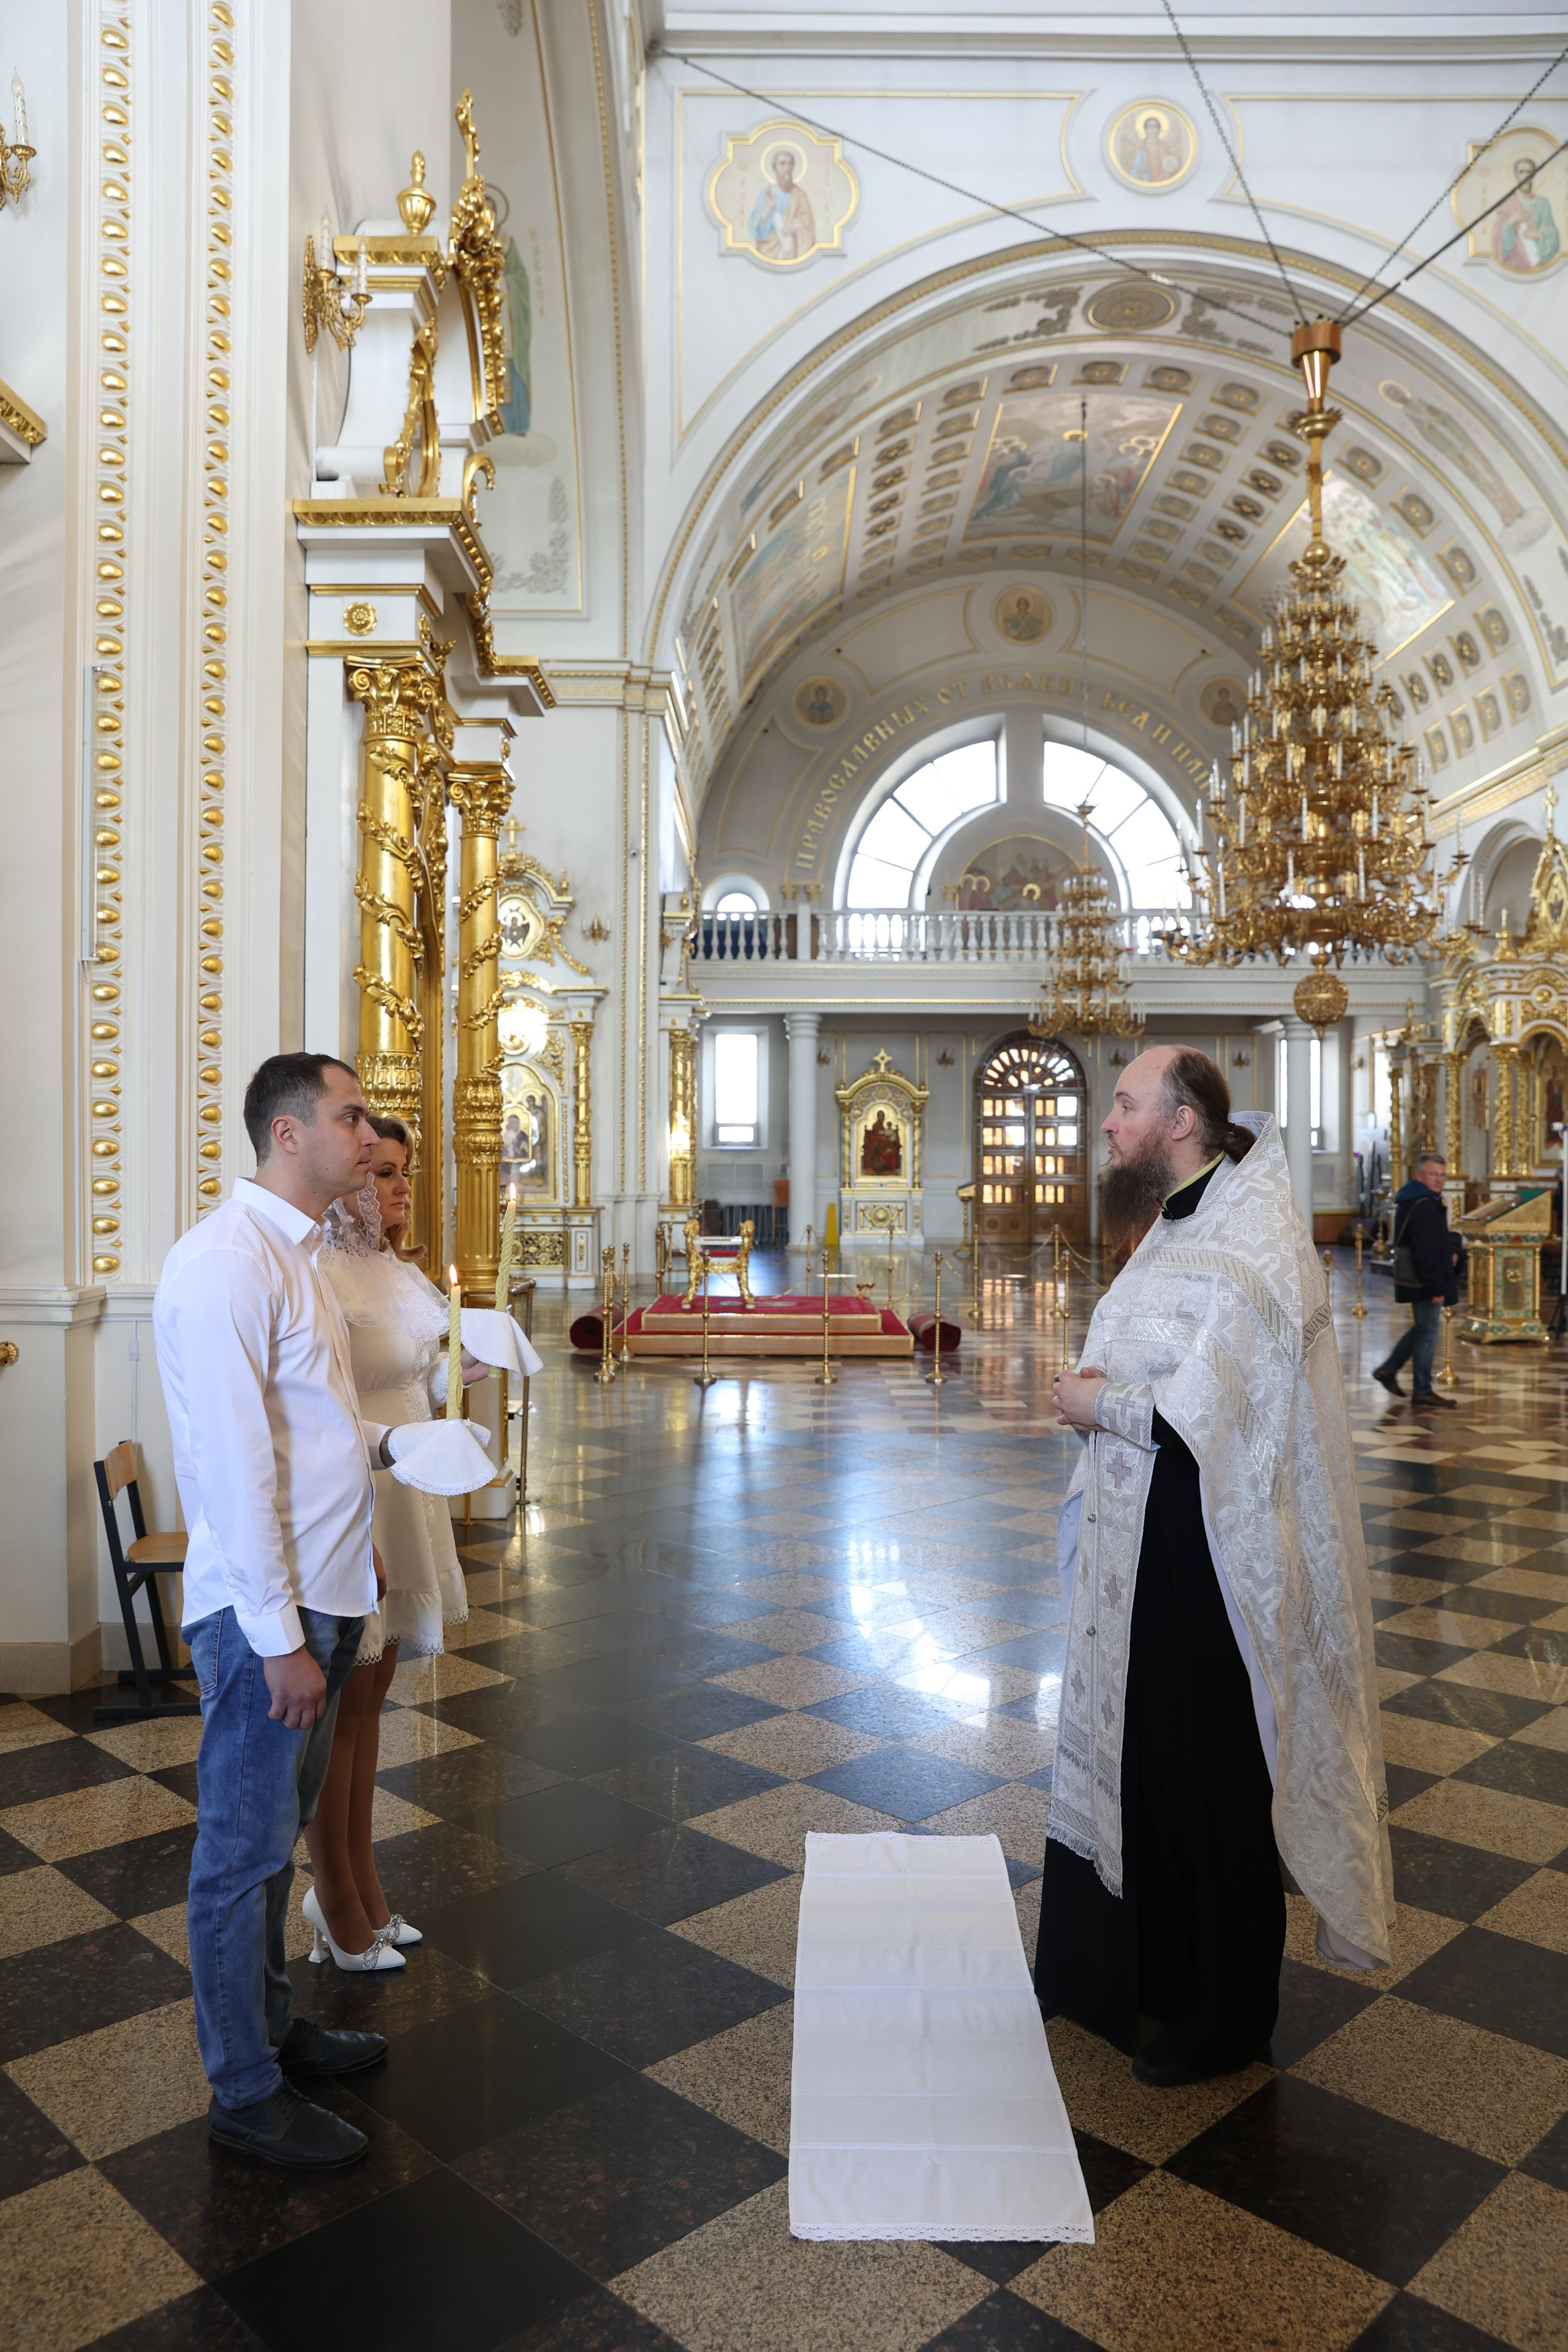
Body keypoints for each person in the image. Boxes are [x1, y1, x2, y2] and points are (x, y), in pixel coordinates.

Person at [1036, 1046, 1393, 2087]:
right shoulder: (1171, 1228)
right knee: (1145, 1760)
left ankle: (1228, 2015)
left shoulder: (1255, 1232)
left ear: (1183, 1118)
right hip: (1136, 1547)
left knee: (1213, 1779)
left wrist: (1092, 1403)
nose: (1108, 1123)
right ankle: (1146, 1973)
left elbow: (1209, 1421)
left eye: (1127, 1105)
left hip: (1212, 1561)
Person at [154, 1054, 477, 2172]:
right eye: (348, 1116)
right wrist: (283, 1636)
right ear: (290, 1134)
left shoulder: (298, 1258)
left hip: (329, 1590)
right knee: (242, 1858)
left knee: (270, 1849)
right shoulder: (224, 1265)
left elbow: (316, 1429)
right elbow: (235, 1473)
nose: (365, 1134)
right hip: (268, 1623)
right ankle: (243, 2093)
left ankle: (276, 2032)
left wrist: (395, 1458)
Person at [307, 1115, 489, 1969]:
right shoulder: (323, 1277)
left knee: (372, 1704)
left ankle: (363, 1881)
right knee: (342, 1709)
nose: (399, 1189)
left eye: (404, 1174)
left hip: (403, 1486)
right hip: (361, 1490)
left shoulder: (391, 1269)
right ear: (346, 1183)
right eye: (381, 1174)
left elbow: (414, 1370)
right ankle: (333, 1898)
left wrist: (465, 1367)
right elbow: (324, 1405)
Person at [1374, 1152, 1462, 1411]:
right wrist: (1436, 1287)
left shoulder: (1417, 1200)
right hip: (1425, 1280)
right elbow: (1425, 1251)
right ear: (1420, 1176)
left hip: (1422, 1278)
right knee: (1427, 1332)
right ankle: (1422, 1390)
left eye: (1442, 1174)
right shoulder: (1423, 1205)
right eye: (1433, 1174)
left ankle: (1388, 1370)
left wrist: (1452, 1250)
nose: (1439, 1179)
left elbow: (1435, 1242)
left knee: (1422, 1329)